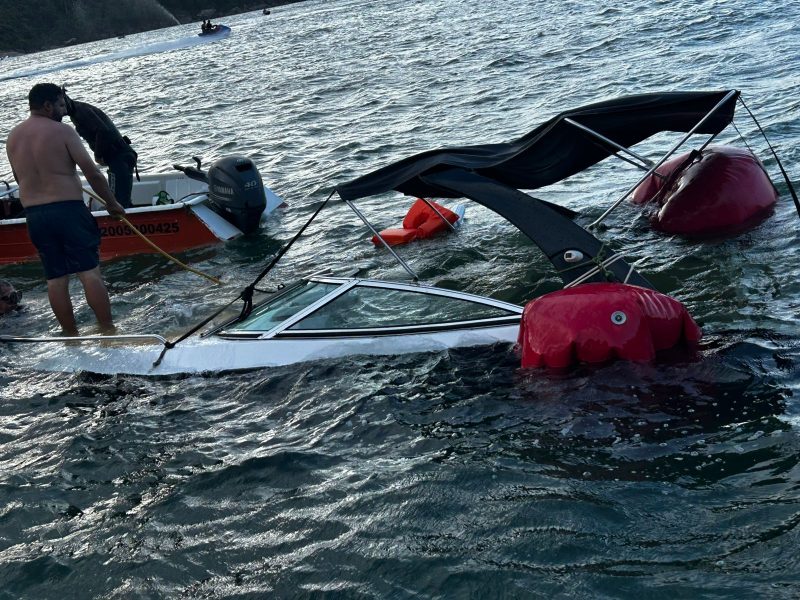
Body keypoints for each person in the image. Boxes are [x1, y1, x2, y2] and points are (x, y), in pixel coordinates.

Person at [5, 83, 126, 335]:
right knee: (89, 273)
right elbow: (91, 171)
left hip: (35, 216)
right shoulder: (62, 131)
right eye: (60, 105)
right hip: (67, 210)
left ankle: (71, 336)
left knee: (56, 279)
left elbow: (19, 179)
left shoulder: (13, 137)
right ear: (47, 105)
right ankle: (107, 331)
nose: (63, 110)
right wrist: (112, 203)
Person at [61, 87, 138, 208]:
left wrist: (98, 155)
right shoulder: (78, 111)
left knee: (117, 202)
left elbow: (103, 130)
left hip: (119, 157)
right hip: (122, 155)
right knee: (122, 198)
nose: (61, 110)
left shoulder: (81, 112)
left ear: (66, 99)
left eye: (61, 105)